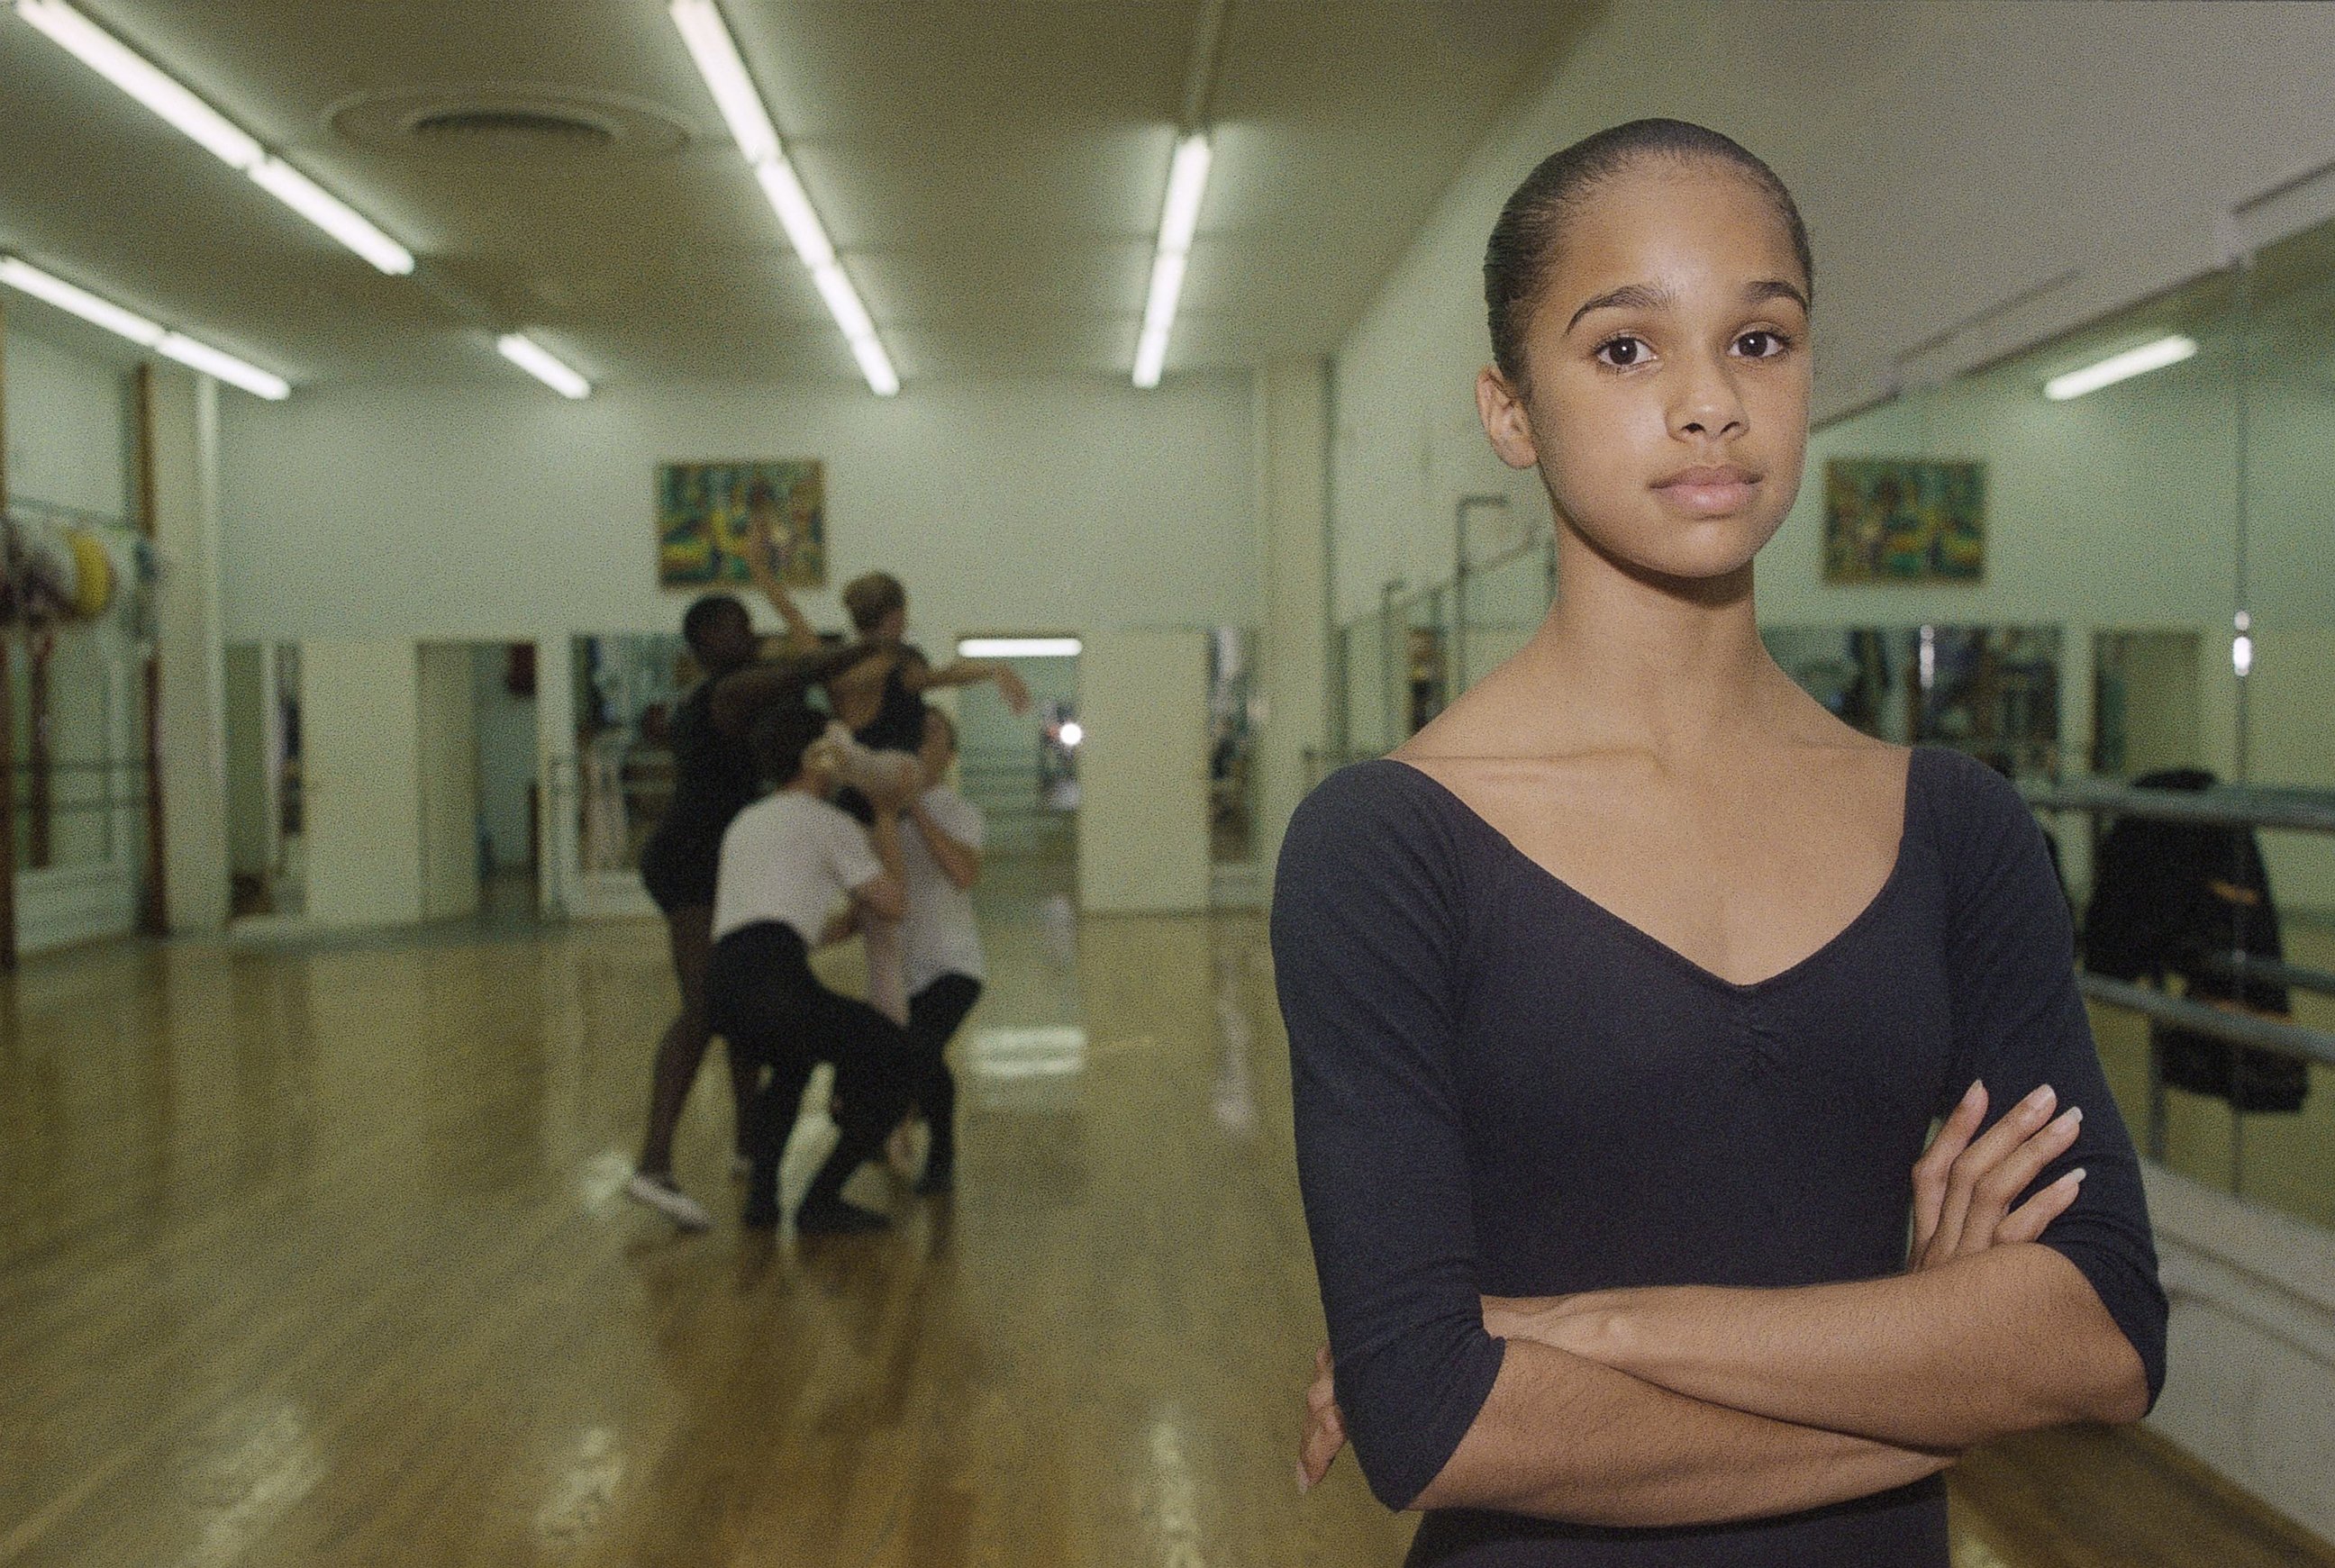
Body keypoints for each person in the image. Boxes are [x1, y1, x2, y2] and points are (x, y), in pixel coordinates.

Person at [1272, 119, 2164, 1566]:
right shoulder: (1384, 847)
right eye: (1626, 349)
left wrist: (1586, 1327)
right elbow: (1436, 1419)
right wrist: (1942, 1369)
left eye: (1762, 340)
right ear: (1511, 413)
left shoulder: (1954, 825)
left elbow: (2107, 1332)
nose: (1709, 405)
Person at [625, 591, 873, 1230]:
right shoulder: (725, 694)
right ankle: (652, 1163)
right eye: (735, 627)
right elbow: (798, 672)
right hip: (691, 861)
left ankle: (746, 1145)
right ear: (705, 642)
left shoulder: (729, 697)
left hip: (716, 857)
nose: (750, 634)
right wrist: (864, 646)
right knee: (705, 1005)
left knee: (737, 1005)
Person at [709, 706, 922, 1235]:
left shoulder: (747, 820)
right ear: (820, 759)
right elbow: (893, 904)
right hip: (775, 977)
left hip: (725, 981)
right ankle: (819, 1201)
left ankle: (762, 1204)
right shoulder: (829, 823)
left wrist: (843, 920)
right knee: (901, 1060)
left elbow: (772, 916)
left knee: (791, 1065)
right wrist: (888, 816)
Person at [893, 706, 987, 1195]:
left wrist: (918, 810)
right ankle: (896, 1124)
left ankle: (943, 1155)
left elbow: (963, 872)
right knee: (886, 1071)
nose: (920, 736)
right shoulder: (884, 816)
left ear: (949, 756)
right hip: (897, 972)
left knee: (922, 1049)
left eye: (933, 732)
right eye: (916, 727)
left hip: (954, 966)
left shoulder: (960, 813)